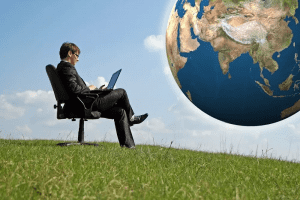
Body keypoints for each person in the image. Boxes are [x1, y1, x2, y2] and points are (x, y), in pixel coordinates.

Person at [56, 42, 148, 149]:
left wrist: (98, 90)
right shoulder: (67, 68)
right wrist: (89, 88)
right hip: (85, 104)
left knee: (120, 111)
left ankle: (129, 146)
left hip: (85, 102)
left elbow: (75, 90)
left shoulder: (63, 68)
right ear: (69, 53)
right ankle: (131, 118)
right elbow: (74, 90)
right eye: (77, 55)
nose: (78, 59)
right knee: (122, 92)